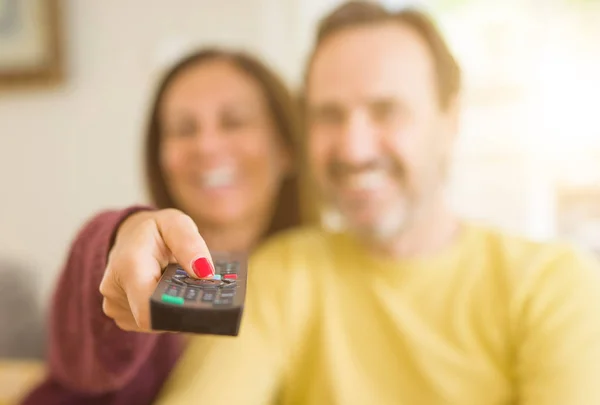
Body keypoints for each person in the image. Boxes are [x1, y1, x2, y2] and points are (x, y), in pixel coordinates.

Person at [28, 1, 600, 404]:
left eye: (386, 110)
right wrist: (121, 234)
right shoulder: (274, 272)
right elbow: (117, 301)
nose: (352, 146)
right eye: (328, 113)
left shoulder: (555, 283)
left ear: (450, 119)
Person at [20, 48, 308, 405]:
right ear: (161, 156)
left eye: (233, 122)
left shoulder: (317, 271)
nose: (206, 145)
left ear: (287, 147)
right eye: (183, 129)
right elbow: (88, 312)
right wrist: (124, 236)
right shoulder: (138, 255)